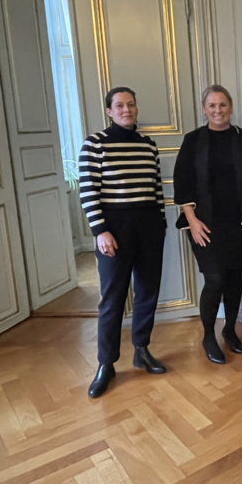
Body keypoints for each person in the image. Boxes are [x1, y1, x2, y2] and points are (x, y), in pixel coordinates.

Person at [78, 87, 168, 399]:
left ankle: (141, 349)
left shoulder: (148, 144)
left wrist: (161, 223)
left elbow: (156, 187)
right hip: (114, 229)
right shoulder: (95, 144)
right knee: (113, 297)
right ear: (109, 111)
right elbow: (88, 190)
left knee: (147, 291)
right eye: (119, 105)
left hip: (148, 226)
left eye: (131, 104)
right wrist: (100, 231)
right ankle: (106, 363)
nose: (126, 109)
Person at [174, 86, 242, 365]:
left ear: (230, 107)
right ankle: (209, 335)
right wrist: (192, 220)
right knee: (215, 279)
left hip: (238, 222)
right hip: (204, 223)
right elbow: (182, 182)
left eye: (222, 105)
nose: (218, 110)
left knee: (234, 279)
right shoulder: (193, 140)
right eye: (212, 105)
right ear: (204, 109)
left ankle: (230, 330)